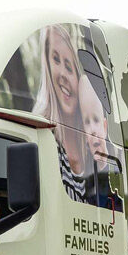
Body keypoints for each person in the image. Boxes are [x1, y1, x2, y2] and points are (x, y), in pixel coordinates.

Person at [32, 24, 87, 202]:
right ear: (47, 66)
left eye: (70, 67)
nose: (63, 73)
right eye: (55, 60)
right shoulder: (41, 137)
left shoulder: (93, 147)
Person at [78, 74, 124, 212]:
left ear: (105, 126)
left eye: (96, 120)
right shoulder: (84, 178)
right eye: (87, 122)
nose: (92, 130)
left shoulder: (117, 172)